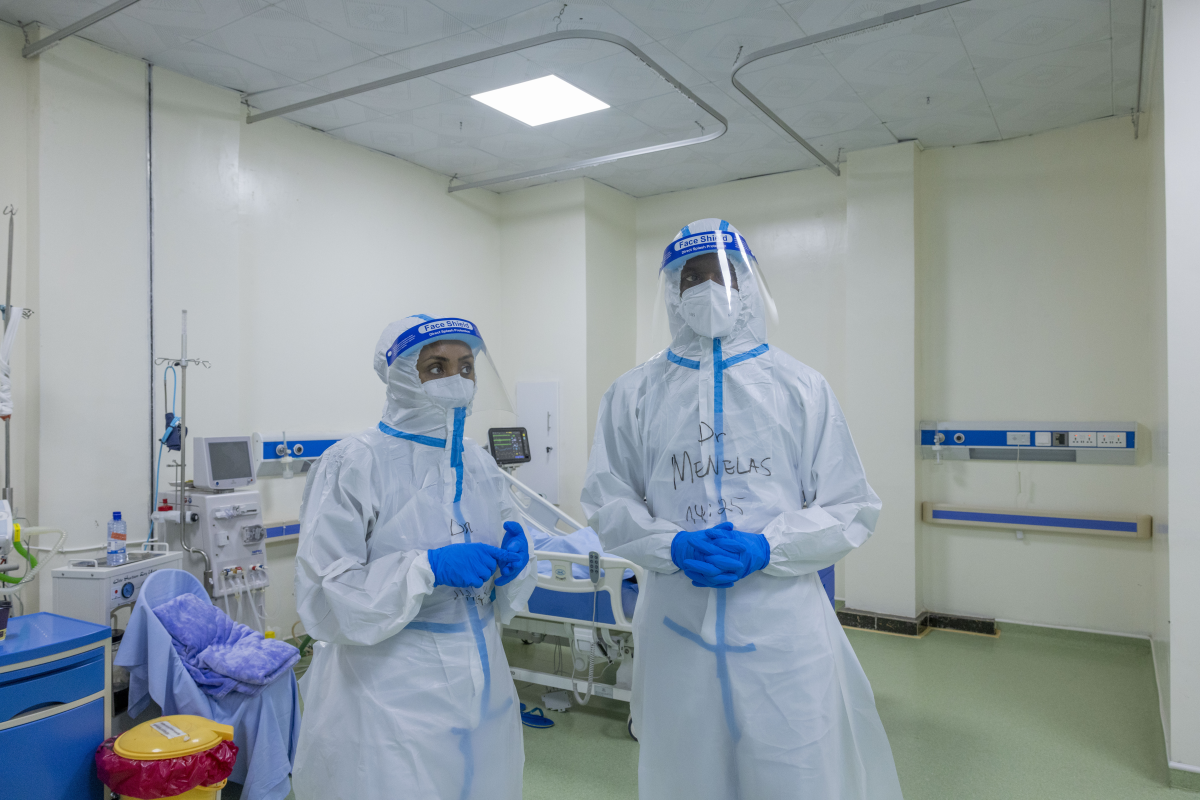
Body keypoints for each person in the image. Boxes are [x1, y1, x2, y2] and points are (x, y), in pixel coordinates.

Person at [582, 219, 903, 799]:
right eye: (693, 277)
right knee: (686, 772)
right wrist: (670, 544)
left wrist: (768, 546)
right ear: (674, 291)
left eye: (723, 274)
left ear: (749, 284)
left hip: (781, 626)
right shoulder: (634, 394)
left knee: (796, 770)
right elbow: (608, 501)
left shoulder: (800, 387)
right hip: (677, 622)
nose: (709, 287)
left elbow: (850, 504)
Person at [292, 315, 536, 800]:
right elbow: (324, 594)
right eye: (436, 366)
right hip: (389, 696)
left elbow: (509, 534)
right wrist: (427, 568)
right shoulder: (353, 462)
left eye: (466, 367)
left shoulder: (479, 462)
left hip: (482, 684)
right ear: (401, 374)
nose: (457, 379)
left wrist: (518, 557)